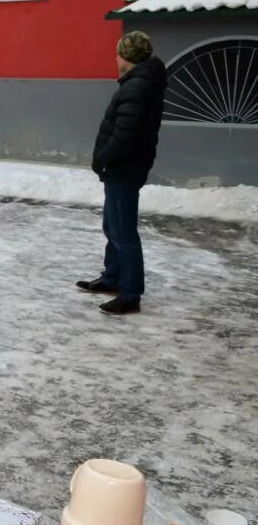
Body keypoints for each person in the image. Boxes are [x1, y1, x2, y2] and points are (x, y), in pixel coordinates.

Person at [78, 31, 167, 315]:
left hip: (124, 168)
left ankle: (130, 294)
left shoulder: (137, 87)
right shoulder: (136, 84)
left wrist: (103, 158)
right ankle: (113, 278)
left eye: (119, 53)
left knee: (123, 231)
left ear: (128, 56)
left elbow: (126, 134)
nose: (115, 58)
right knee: (112, 226)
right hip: (122, 167)